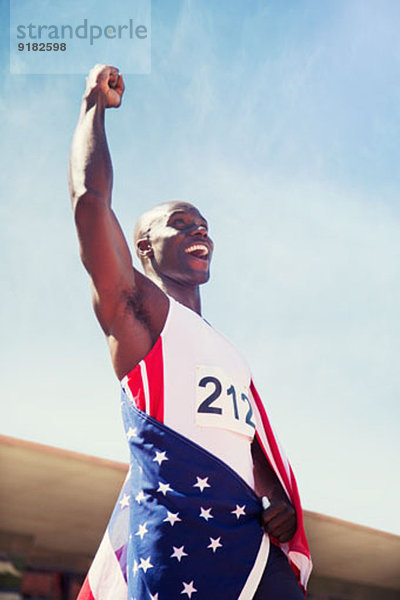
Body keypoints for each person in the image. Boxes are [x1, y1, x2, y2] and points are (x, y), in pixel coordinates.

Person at [69, 64, 312, 600]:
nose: (200, 229)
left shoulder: (227, 352)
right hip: (181, 549)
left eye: (204, 224)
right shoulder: (138, 315)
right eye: (181, 223)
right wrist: (92, 108)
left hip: (249, 546)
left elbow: (242, 438)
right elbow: (91, 206)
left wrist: (272, 492)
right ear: (144, 248)